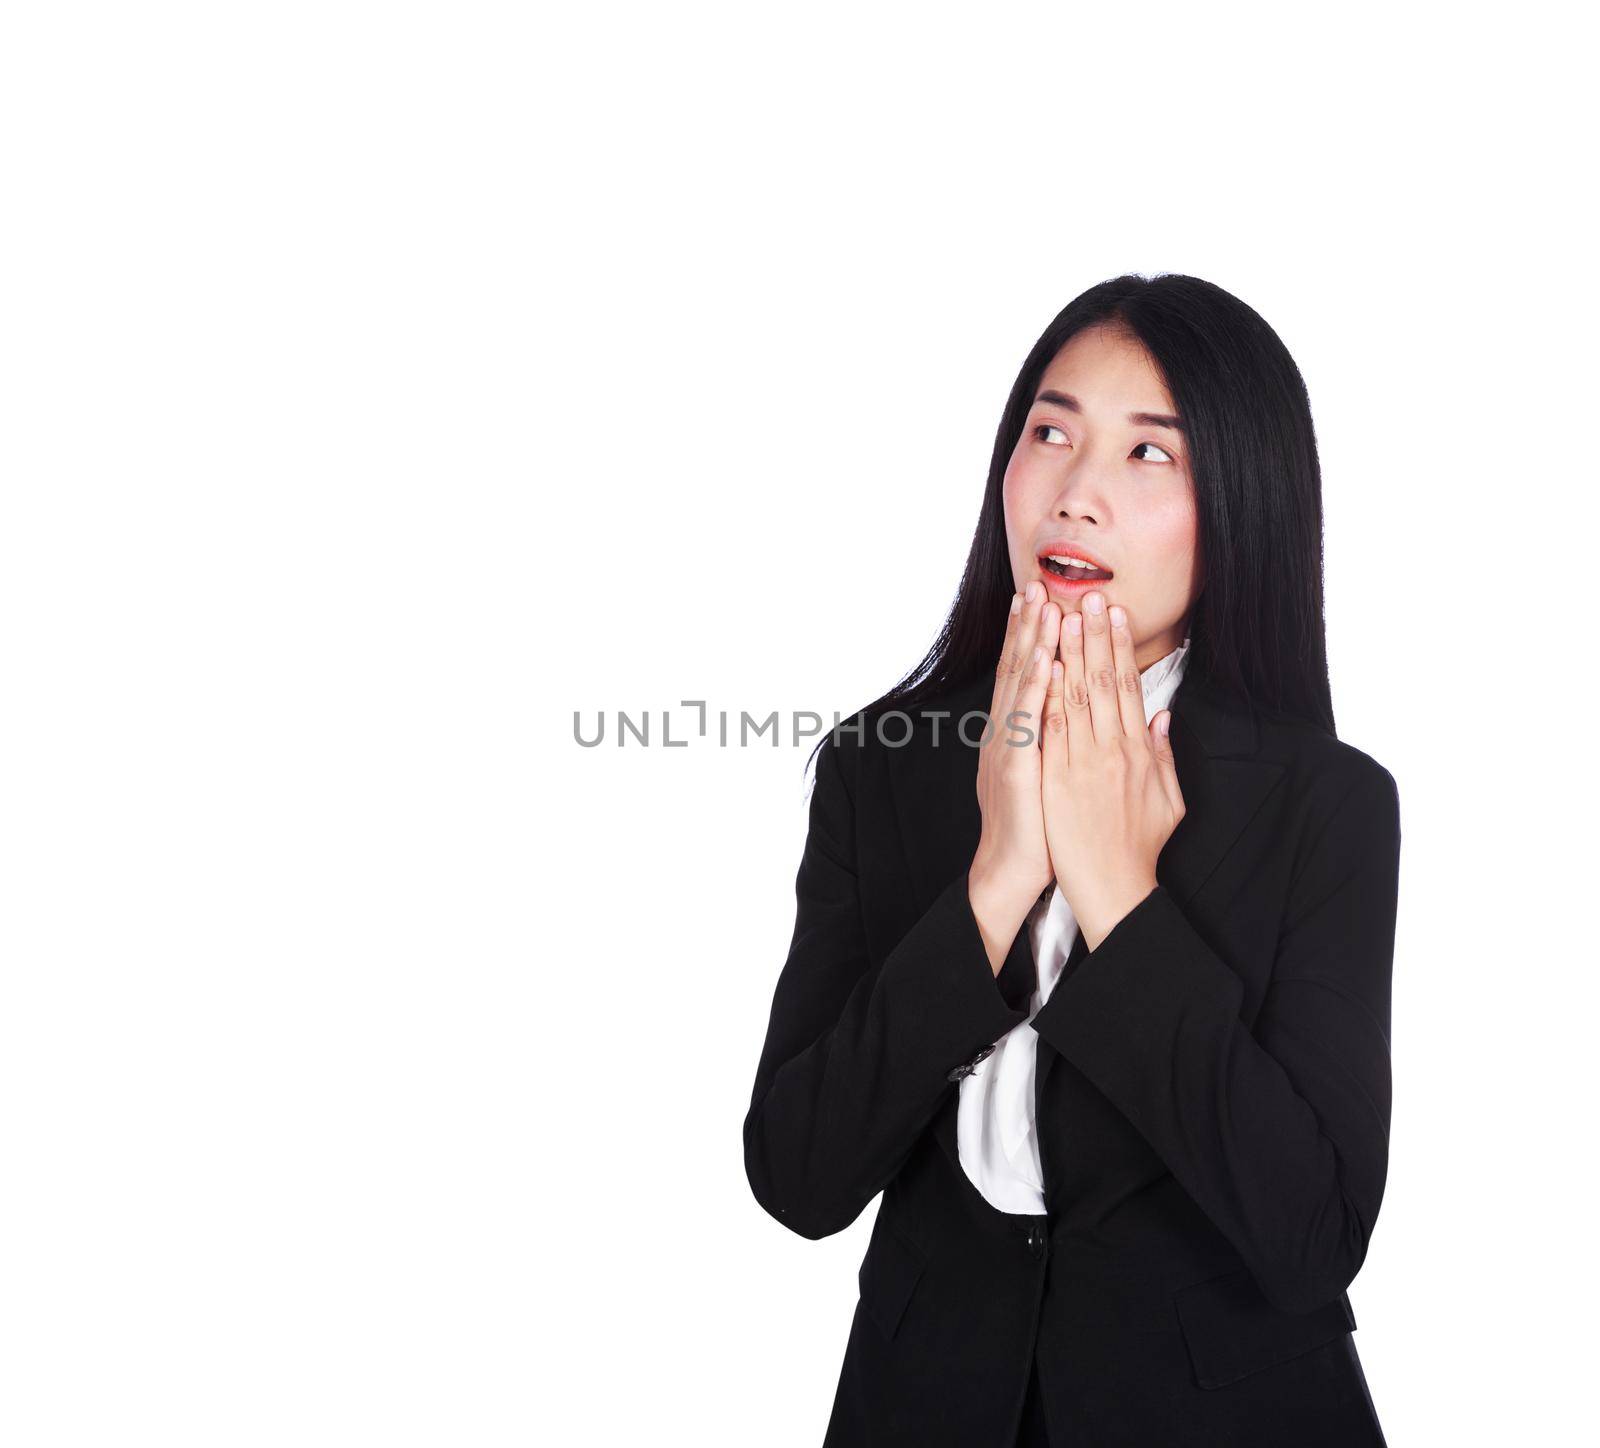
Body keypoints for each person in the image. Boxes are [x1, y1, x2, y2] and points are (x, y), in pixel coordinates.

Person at [741, 273, 1401, 1447]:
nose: (1077, 493)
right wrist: (996, 881)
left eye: (1152, 455)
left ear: (1241, 504)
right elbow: (797, 1172)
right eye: (1050, 432)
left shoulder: (1324, 804)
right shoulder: (877, 767)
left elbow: (1310, 1233)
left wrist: (1118, 892)